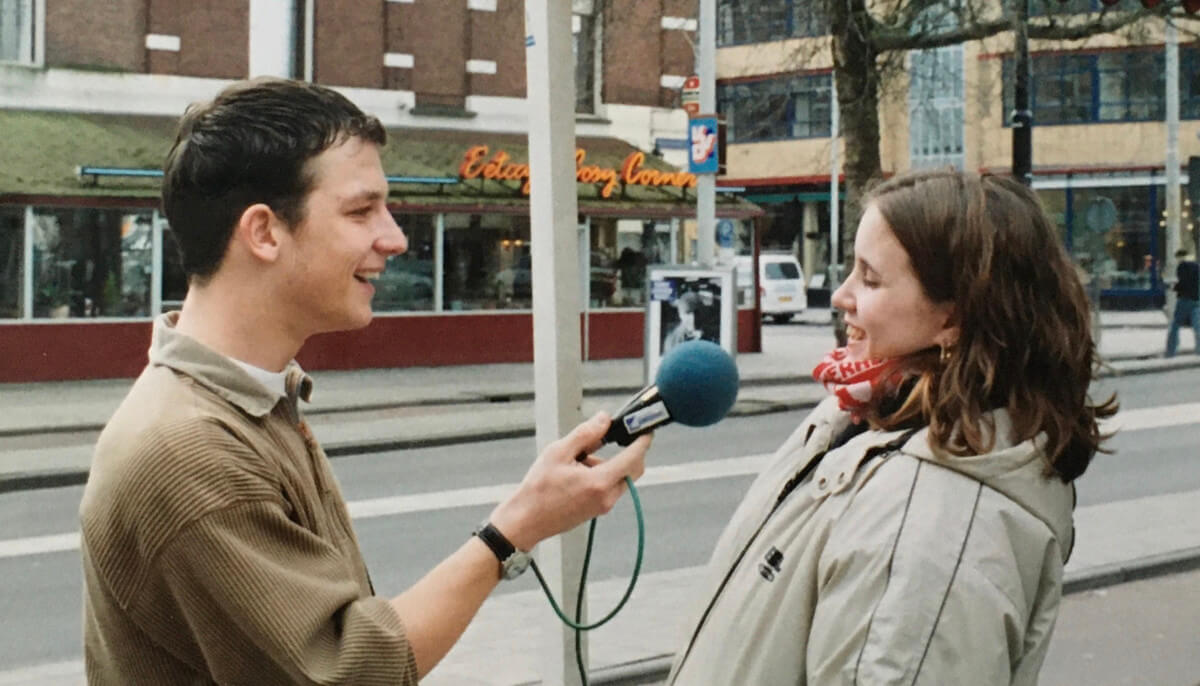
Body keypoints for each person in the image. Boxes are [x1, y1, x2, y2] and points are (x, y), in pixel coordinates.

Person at [78, 78, 651, 685]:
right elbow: (356, 671)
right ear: (264, 232)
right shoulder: (190, 449)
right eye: (360, 211)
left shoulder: (250, 400)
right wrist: (517, 528)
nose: (395, 238)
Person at [667, 169, 1117, 685]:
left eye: (871, 278)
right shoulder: (859, 416)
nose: (841, 295)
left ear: (953, 318)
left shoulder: (931, 525)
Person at [1166, 248, 1199, 357]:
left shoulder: (1182, 267)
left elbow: (1183, 283)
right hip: (1196, 300)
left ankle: (1170, 352)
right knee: (1197, 326)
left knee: (1175, 325)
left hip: (1185, 300)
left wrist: (1174, 287)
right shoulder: (1197, 266)